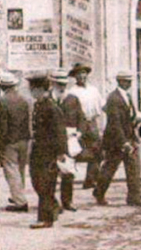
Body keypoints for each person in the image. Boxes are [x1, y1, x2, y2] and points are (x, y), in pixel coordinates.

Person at [93, 71, 141, 207]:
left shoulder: (127, 96)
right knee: (109, 168)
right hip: (116, 140)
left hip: (129, 136)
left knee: (134, 168)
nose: (129, 83)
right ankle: (99, 192)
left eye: (130, 81)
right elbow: (115, 123)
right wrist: (124, 142)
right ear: (120, 82)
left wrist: (138, 119)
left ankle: (134, 198)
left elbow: (129, 116)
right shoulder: (113, 98)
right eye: (126, 81)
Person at [28, 72, 68, 229]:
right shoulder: (39, 105)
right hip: (38, 151)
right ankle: (53, 207)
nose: (31, 92)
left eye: (33, 89)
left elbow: (60, 131)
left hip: (48, 152)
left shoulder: (51, 107)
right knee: (37, 182)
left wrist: (60, 152)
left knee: (45, 184)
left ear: (39, 89)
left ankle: (45, 218)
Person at [0, 71, 31, 212]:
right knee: (20, 169)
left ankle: (20, 201)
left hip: (9, 140)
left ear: (2, 87)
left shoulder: (2, 102)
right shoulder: (23, 100)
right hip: (24, 138)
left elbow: (2, 126)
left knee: (11, 170)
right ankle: (18, 195)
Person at [52, 68, 86, 212]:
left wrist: (79, 132)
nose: (62, 87)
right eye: (59, 84)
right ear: (53, 83)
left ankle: (67, 201)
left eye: (64, 84)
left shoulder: (72, 99)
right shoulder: (48, 99)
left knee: (68, 172)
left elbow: (81, 118)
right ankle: (52, 203)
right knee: (51, 172)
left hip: (69, 138)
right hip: (52, 139)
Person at [67, 62, 105, 189]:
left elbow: (102, 106)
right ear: (75, 76)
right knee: (74, 150)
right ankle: (68, 178)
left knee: (97, 150)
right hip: (78, 123)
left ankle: (91, 179)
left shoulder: (93, 90)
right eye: (79, 73)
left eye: (83, 73)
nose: (82, 76)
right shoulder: (72, 92)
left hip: (92, 122)